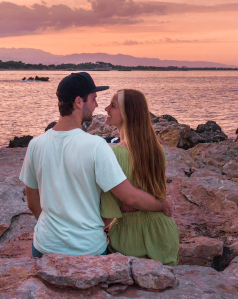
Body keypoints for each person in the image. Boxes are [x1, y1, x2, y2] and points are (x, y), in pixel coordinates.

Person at [19, 72, 172, 258]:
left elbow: (33, 203)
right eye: (93, 99)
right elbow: (129, 197)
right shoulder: (96, 146)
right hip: (87, 250)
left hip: (44, 247)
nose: (97, 105)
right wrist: (162, 206)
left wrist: (55, 232)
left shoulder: (35, 145)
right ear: (78, 102)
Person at [100, 89, 179, 265]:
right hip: (163, 233)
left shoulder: (116, 154)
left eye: (112, 106)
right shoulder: (156, 150)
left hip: (131, 238)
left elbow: (113, 209)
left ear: (127, 114)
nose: (106, 108)